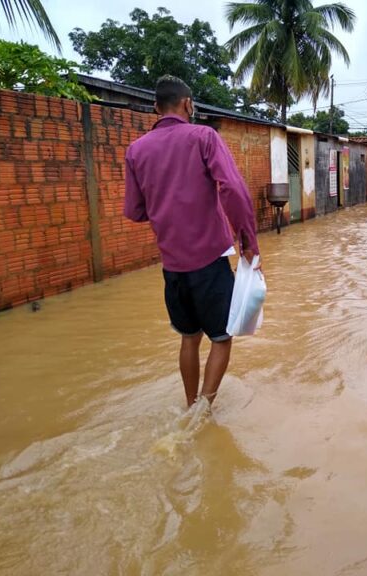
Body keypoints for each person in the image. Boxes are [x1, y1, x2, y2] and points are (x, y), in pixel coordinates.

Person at [124, 75, 260, 407]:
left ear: (156, 108)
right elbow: (233, 190)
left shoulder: (136, 150)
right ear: (188, 104)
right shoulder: (203, 136)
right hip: (210, 262)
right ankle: (204, 410)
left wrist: (166, 208)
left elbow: (134, 210)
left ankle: (189, 406)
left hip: (172, 266)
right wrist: (248, 241)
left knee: (189, 338)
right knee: (222, 339)